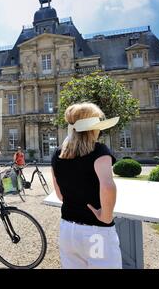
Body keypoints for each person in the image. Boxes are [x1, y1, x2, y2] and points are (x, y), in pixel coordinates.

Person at [51, 102, 122, 269]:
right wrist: (106, 215)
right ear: (92, 128)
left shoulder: (57, 154)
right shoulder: (98, 151)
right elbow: (108, 186)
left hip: (67, 229)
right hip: (96, 232)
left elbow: (60, 195)